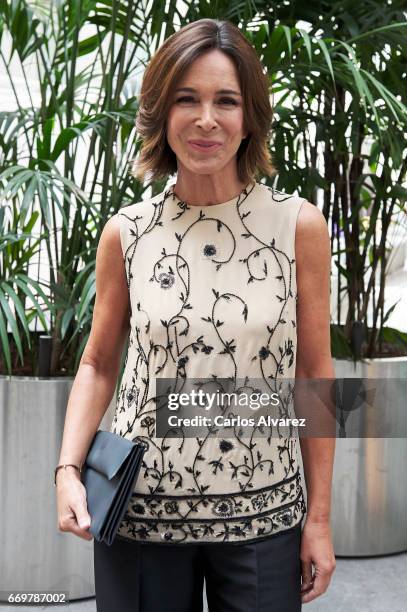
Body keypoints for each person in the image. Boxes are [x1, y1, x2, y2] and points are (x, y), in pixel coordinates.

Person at [55, 18, 336, 612]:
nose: (207, 119)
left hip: (264, 514)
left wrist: (320, 519)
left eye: (226, 101)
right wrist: (67, 469)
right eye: (188, 99)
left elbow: (315, 377)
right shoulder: (127, 232)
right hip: (140, 511)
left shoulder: (297, 227)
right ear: (162, 113)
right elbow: (98, 364)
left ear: (249, 116)